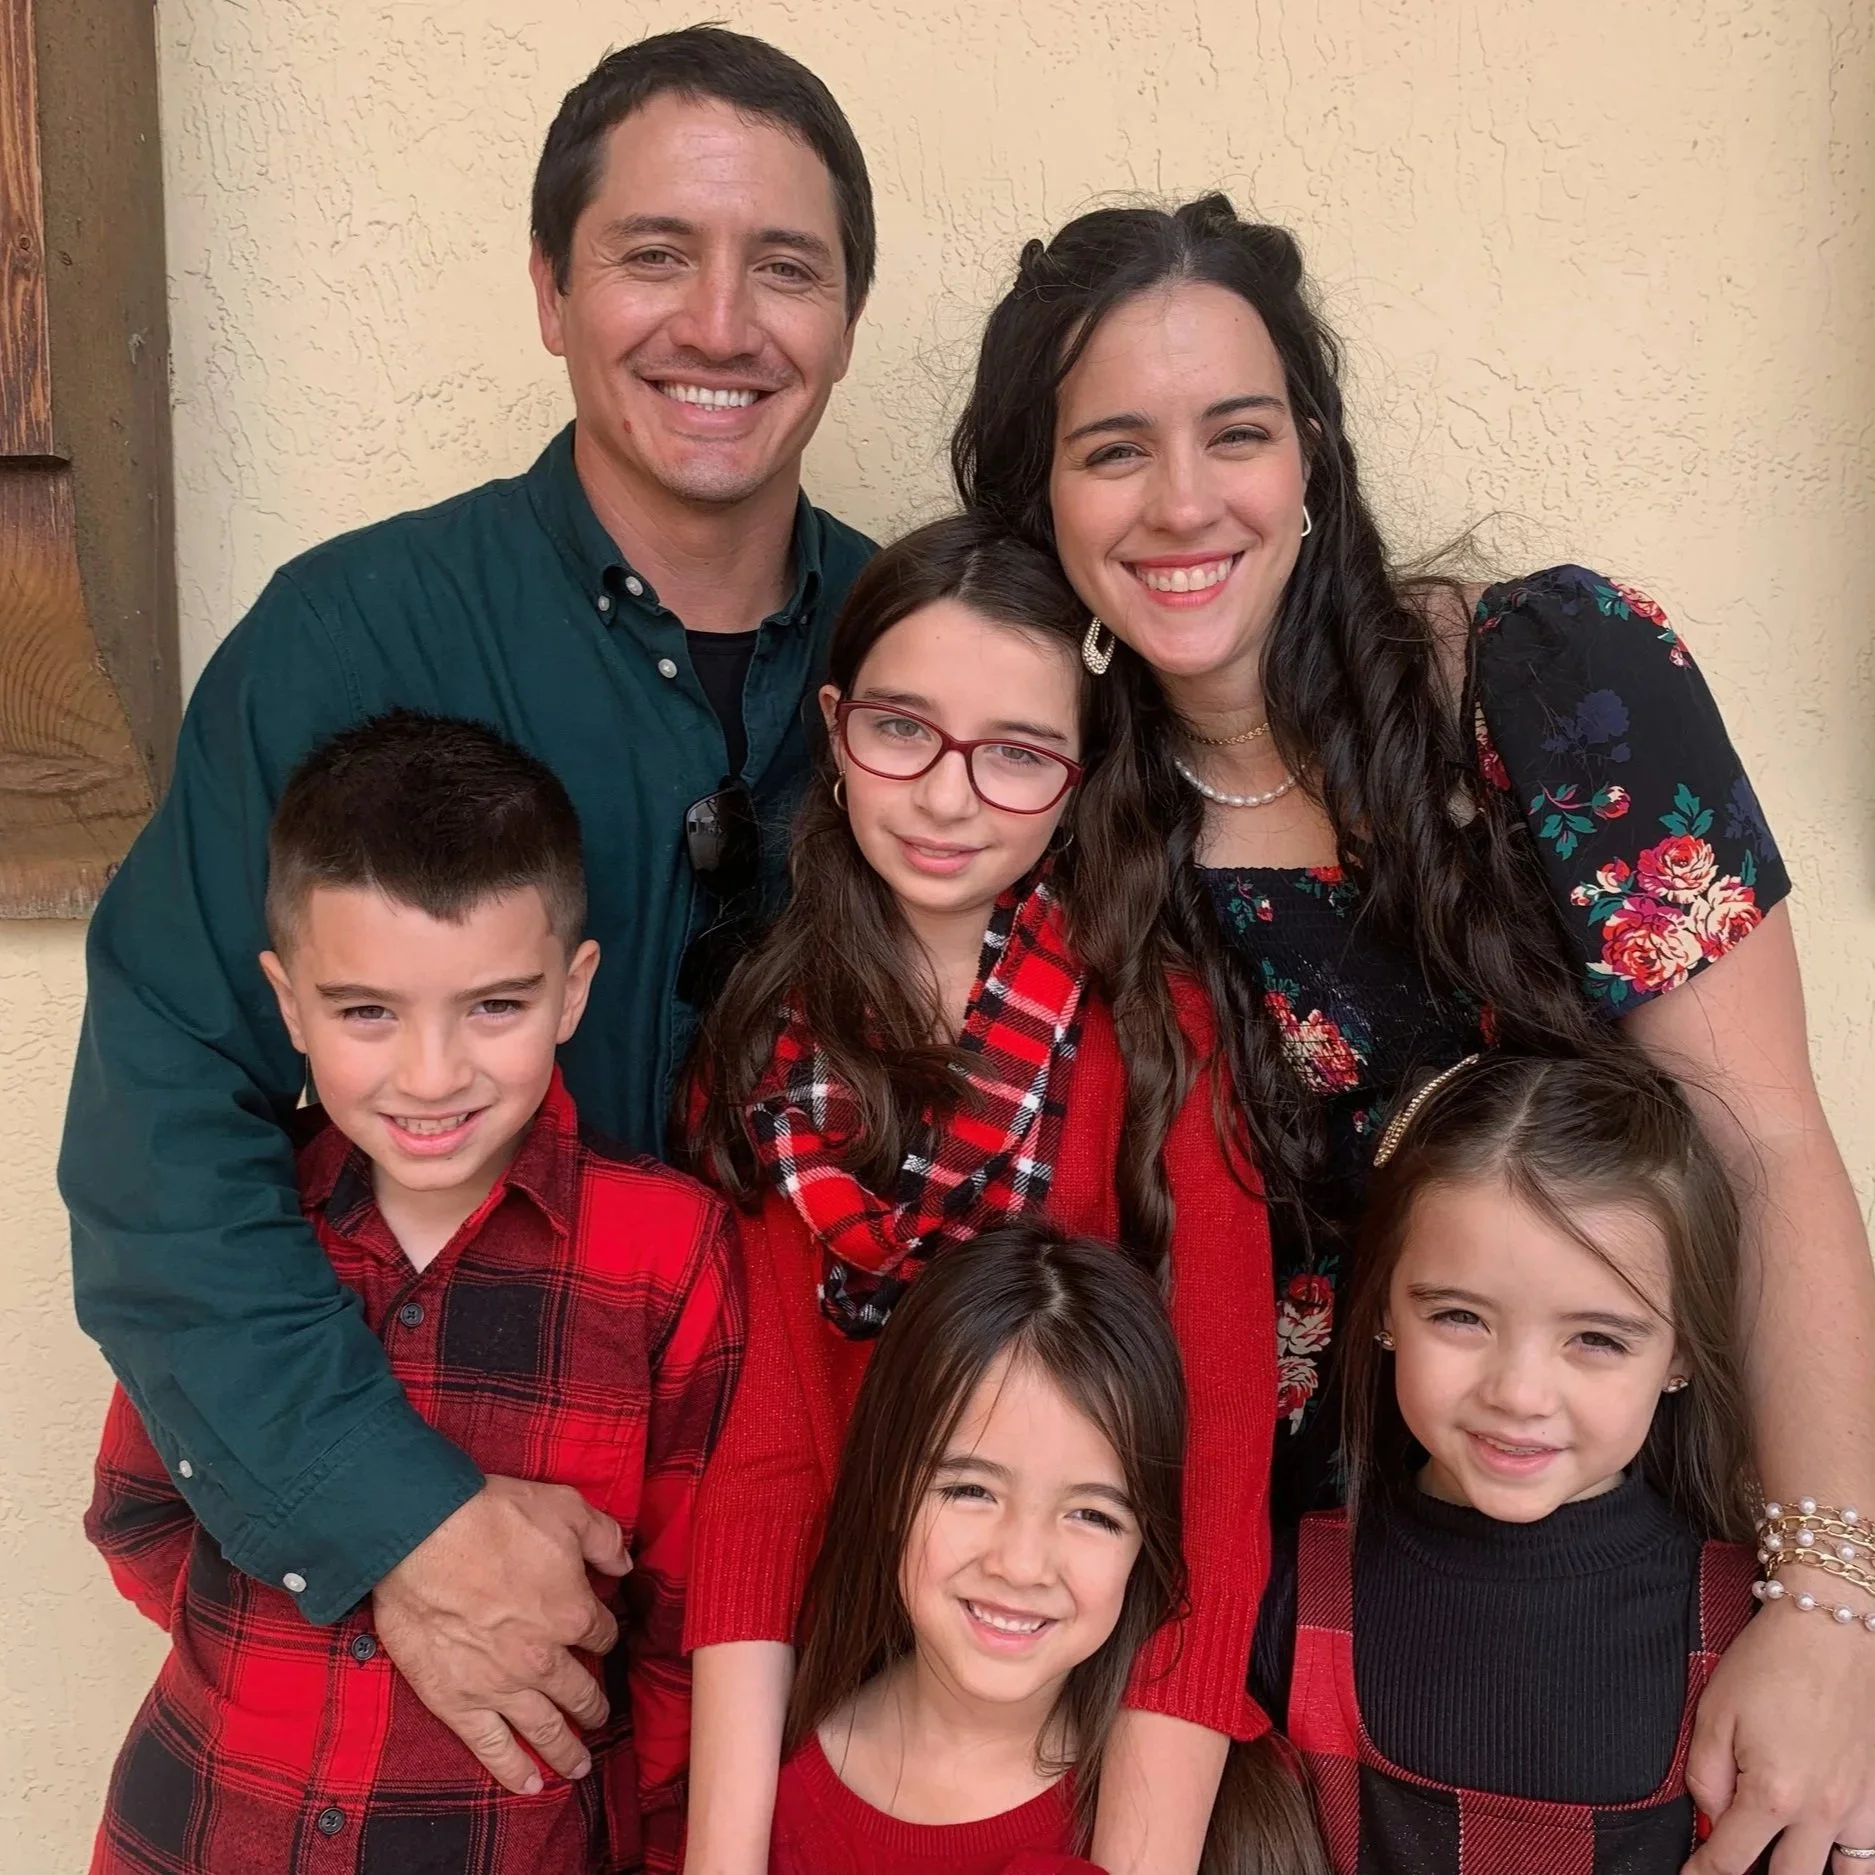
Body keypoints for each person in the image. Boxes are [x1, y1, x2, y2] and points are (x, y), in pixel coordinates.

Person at [952, 194, 1875, 1870]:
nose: (1182, 500)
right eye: (1112, 450)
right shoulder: (1041, 805)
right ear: (1040, 496)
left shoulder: (1545, 684)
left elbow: (1766, 1142)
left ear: (1311, 454)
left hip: (1607, 1595)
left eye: (1236, 432)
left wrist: (1826, 1601)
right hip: (1251, 1648)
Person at [61, 27, 874, 1797]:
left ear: (847, 319)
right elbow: (156, 1134)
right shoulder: (349, 635)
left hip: (813, 1627)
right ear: (549, 291)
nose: (720, 322)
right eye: (653, 253)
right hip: (396, 1662)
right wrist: (398, 1521)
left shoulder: (921, 681)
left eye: (784, 267)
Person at [678, 514, 1278, 1875]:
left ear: (1080, 777)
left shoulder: (1159, 1044)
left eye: (1015, 752)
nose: (948, 798)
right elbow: (762, 1464)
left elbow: (1217, 1469)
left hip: (1088, 1732)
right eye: (902, 728)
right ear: (834, 730)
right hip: (853, 1705)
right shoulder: (762, 1051)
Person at [83, 712, 742, 1875]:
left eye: (495, 1006)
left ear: (573, 990)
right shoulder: (242, 1235)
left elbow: (689, 1630)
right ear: (289, 1004)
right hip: (202, 1831)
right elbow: (141, 1513)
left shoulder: (668, 1255)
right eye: (366, 1012)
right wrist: (355, 1595)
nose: (432, 1076)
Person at [1250, 1050, 1771, 1873]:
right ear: (1383, 1307)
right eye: (1460, 1317)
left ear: (1679, 1354)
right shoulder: (1287, 1593)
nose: (1519, 1393)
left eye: (1595, 1337)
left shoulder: (1755, 1632)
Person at [768, 1223, 1182, 1874]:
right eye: (970, 1489)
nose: (1020, 1564)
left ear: (1144, 1545)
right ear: (888, 1487)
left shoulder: (1198, 1812)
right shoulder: (775, 1803)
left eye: (1091, 1514)